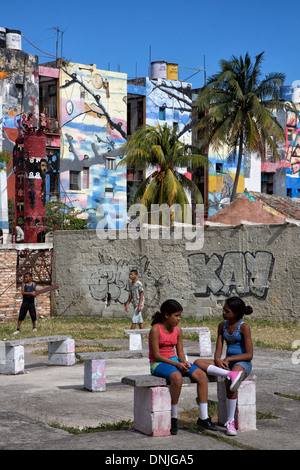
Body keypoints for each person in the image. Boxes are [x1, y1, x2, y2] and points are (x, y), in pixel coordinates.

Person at [149, 299, 217, 435]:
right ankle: (173, 417)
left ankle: (203, 417)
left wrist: (184, 362)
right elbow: (156, 355)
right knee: (177, 377)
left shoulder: (178, 330)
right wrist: (177, 364)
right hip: (158, 363)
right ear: (166, 315)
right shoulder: (156, 329)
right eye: (176, 316)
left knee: (201, 375)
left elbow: (179, 352)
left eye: (180, 315)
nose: (179, 319)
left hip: (175, 361)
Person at [194, 296, 253, 436]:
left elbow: (249, 355)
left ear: (236, 313)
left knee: (232, 383)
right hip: (228, 363)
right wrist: (218, 360)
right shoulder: (222, 325)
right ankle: (230, 373)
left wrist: (229, 358)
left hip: (241, 363)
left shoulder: (244, 327)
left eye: (227, 311)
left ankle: (230, 422)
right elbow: (218, 350)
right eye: (223, 310)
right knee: (197, 363)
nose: (224, 313)